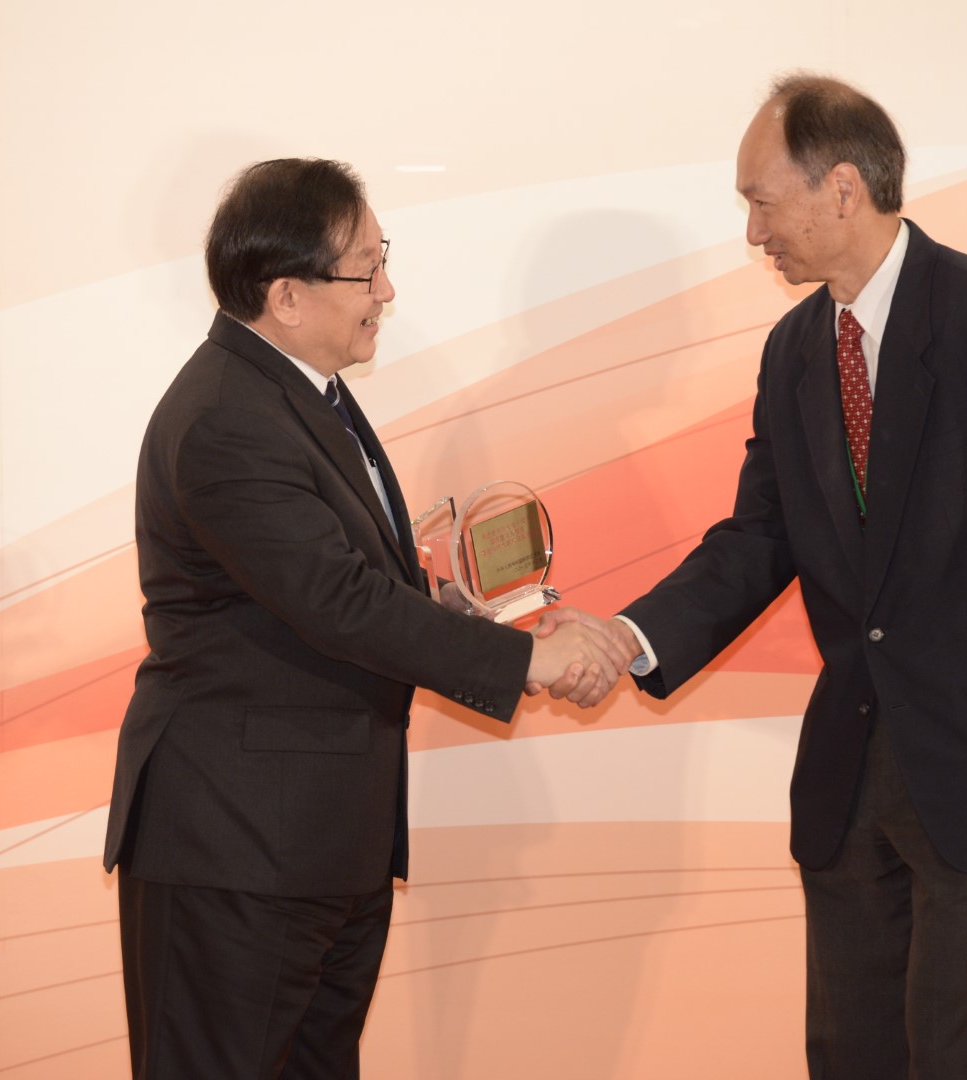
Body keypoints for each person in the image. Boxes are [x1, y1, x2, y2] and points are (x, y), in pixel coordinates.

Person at [542, 75, 967, 1078]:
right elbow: (758, 540)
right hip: (851, 780)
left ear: (840, 189)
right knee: (850, 1054)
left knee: (959, 1054)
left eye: (760, 200)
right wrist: (628, 637)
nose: (751, 234)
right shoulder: (793, 352)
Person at [102, 157, 628, 1079]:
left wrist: (450, 607)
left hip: (317, 848)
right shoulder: (228, 418)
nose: (387, 290)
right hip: (237, 851)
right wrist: (527, 665)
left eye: (384, 260)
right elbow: (336, 603)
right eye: (366, 269)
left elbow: (346, 582)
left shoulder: (306, 397)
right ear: (288, 295)